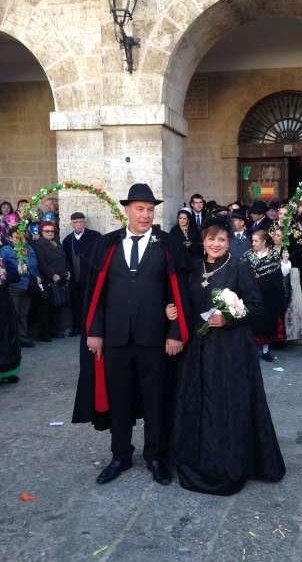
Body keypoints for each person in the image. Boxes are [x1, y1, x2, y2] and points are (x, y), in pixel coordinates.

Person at [72, 184, 184, 486]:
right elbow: (95, 292)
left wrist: (176, 331)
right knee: (118, 398)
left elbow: (179, 293)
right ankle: (120, 454)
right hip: (115, 338)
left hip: (155, 339)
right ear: (127, 210)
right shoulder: (107, 245)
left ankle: (155, 456)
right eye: (140, 209)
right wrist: (94, 331)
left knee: (155, 399)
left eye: (150, 209)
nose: (146, 215)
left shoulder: (166, 245)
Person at [167, 217, 285, 495]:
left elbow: (256, 305)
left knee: (226, 402)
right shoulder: (194, 268)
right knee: (200, 398)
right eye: (211, 238)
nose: (216, 244)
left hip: (231, 349)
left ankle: (228, 459)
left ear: (229, 242)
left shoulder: (239, 267)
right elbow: (184, 301)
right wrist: (170, 310)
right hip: (199, 347)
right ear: (203, 241)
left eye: (221, 239)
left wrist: (229, 317)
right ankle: (200, 456)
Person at [243, 229, 286, 361]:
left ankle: (266, 350)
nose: (253, 243)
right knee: (252, 323)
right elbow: (242, 274)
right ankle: (251, 351)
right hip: (251, 296)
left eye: (256, 241)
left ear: (264, 241)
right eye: (253, 241)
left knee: (267, 324)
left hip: (269, 297)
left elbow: (278, 278)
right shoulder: (248, 255)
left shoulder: (273, 256)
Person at [1, 227, 41, 347]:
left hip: (28, 285)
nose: (20, 239)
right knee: (14, 313)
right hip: (14, 286)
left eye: (22, 237)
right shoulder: (5, 250)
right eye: (17, 237)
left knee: (24, 313)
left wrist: (38, 276)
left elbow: (35, 265)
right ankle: (12, 339)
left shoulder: (29, 248)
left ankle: (23, 337)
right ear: (10, 238)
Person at [62, 212, 101, 336]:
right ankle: (76, 327)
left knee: (89, 303)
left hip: (89, 277)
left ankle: (89, 328)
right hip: (74, 278)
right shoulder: (67, 240)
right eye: (75, 222)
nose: (78, 224)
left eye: (80, 221)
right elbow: (65, 259)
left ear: (84, 222)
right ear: (71, 224)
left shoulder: (94, 236)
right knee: (75, 303)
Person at [34, 221, 71, 338]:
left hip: (61, 277)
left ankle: (56, 330)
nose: (50, 233)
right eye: (47, 231)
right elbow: (42, 263)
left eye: (52, 231)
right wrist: (52, 275)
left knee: (58, 305)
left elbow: (65, 258)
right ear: (41, 232)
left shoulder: (56, 242)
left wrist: (67, 271)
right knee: (50, 306)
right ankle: (48, 332)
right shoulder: (40, 244)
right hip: (49, 279)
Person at [272, 227, 302, 340]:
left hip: (285, 282)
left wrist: (285, 260)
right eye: (274, 235)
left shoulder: (286, 250)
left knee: (287, 307)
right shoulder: (270, 248)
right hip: (273, 283)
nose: (275, 237)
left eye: (278, 235)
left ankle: (287, 334)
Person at [0, 254, 20, 383]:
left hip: (5, 305)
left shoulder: (3, 261)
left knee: (9, 336)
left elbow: (16, 276)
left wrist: (4, 276)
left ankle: (10, 371)